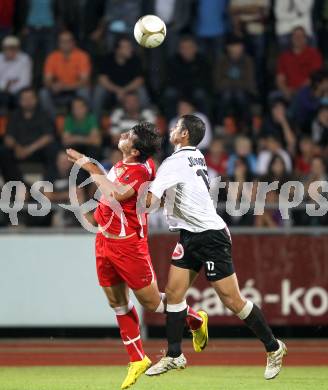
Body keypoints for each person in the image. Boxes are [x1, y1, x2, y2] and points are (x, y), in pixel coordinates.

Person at [144, 115, 287, 379]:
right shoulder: (196, 155)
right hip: (191, 234)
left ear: (184, 134)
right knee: (174, 294)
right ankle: (174, 355)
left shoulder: (174, 162)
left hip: (210, 236)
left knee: (233, 301)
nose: (172, 130)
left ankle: (274, 347)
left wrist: (121, 195)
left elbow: (150, 202)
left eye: (176, 127)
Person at [66, 122, 206, 389]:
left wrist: (91, 167)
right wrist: (95, 217)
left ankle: (195, 319)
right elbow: (110, 198)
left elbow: (117, 193)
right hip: (104, 243)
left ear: (136, 148)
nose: (122, 135)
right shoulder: (122, 167)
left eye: (128, 135)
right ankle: (137, 359)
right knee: (116, 302)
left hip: (130, 247)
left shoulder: (141, 171)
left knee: (152, 303)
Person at [2, 87, 58, 182]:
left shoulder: (43, 114)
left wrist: (28, 150)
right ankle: (17, 185)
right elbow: (8, 137)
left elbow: (48, 137)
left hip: (38, 151)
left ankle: (49, 184)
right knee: (3, 152)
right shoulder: (14, 115)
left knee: (52, 149)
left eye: (31, 98)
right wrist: (17, 147)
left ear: (36, 100)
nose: (28, 101)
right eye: (25, 99)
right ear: (20, 101)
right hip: (18, 151)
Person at [40, 31, 91, 118]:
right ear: (58, 43)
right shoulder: (52, 57)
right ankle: (54, 122)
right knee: (43, 93)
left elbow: (84, 81)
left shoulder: (82, 56)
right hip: (58, 90)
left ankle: (85, 122)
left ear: (73, 42)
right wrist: (52, 85)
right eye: (62, 41)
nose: (65, 44)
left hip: (75, 89)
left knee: (84, 92)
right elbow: (46, 79)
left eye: (68, 41)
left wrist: (65, 86)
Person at [93, 36, 147, 119]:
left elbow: (139, 80)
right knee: (99, 91)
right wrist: (118, 90)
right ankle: (96, 122)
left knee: (142, 92)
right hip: (111, 90)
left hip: (129, 90)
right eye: (126, 47)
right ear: (117, 50)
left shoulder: (135, 59)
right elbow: (102, 80)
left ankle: (144, 119)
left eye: (130, 46)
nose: (130, 49)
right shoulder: (107, 59)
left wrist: (124, 90)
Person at [164, 36, 211, 119]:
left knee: (201, 95)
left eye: (189, 47)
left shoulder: (202, 61)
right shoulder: (173, 61)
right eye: (183, 48)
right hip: (179, 90)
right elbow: (171, 81)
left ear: (195, 48)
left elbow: (205, 81)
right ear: (179, 50)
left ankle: (204, 122)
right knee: (169, 94)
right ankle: (171, 123)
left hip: (195, 90)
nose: (186, 50)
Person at [214, 35, 257, 124]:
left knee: (239, 95)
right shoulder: (222, 61)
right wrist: (236, 83)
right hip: (225, 91)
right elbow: (218, 82)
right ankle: (221, 125)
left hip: (244, 91)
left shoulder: (247, 61)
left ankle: (245, 125)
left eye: (240, 46)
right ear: (228, 47)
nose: (238, 48)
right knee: (227, 95)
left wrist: (230, 82)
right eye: (235, 46)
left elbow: (249, 82)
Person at [276, 27, 323, 101]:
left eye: (301, 36)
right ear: (291, 39)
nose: (298, 38)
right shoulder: (284, 57)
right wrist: (285, 90)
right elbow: (280, 79)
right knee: (273, 98)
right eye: (295, 36)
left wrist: (297, 91)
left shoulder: (314, 54)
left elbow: (315, 78)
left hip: (307, 91)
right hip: (288, 92)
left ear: (306, 39)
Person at [0, 36, 32, 112]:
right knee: (3, 97)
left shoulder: (25, 59)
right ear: (3, 49)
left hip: (18, 92)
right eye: (7, 48)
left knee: (22, 98)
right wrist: (7, 84)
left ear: (18, 49)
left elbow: (25, 82)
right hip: (2, 91)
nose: (10, 51)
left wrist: (8, 87)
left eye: (13, 48)